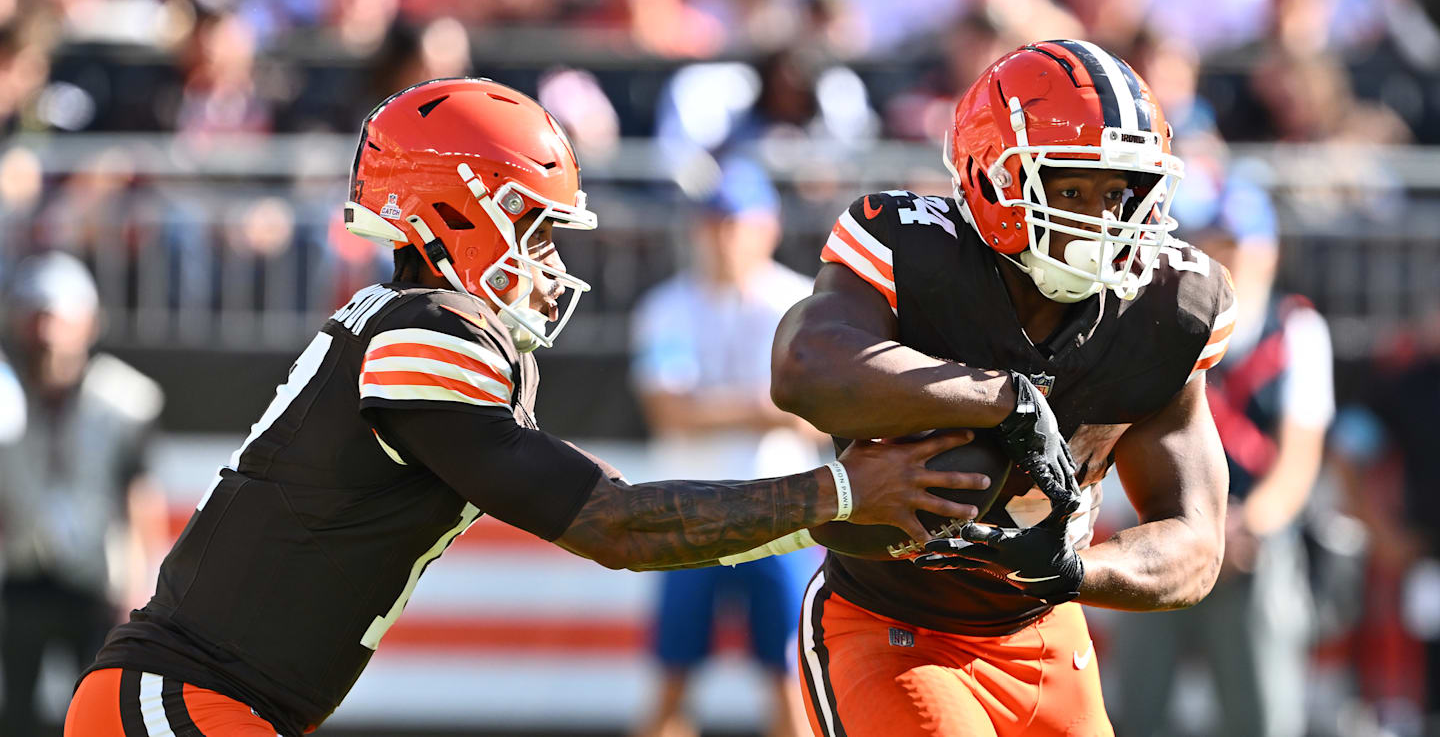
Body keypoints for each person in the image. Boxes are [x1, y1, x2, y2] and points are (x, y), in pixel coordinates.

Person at [62, 78, 986, 737]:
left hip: (214, 705)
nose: (549, 263)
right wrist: (836, 494)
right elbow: (617, 524)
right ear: (457, 214)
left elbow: (618, 516)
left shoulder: (412, 328)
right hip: (181, 702)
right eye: (537, 230)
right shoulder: (429, 334)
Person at [766, 40, 1235, 737]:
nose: (1101, 222)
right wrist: (999, 395)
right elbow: (805, 364)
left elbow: (1196, 544)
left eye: (1119, 192)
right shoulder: (914, 250)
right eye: (1071, 189)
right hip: (894, 624)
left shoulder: (1171, 303)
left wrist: (1072, 570)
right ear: (992, 178)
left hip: (1045, 633)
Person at [1107, 152, 1334, 737]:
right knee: (1137, 706)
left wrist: (1242, 527)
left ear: (1268, 252)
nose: (1223, 259)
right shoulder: (1157, 323)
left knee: (1260, 711)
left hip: (1252, 546)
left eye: (1236, 244)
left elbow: (1298, 459)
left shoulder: (1297, 330)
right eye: (1212, 242)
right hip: (1158, 530)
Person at [630, 158, 819, 737]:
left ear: (767, 225)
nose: (724, 236)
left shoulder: (801, 303)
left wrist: (714, 410)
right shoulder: (667, 306)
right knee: (672, 676)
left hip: (779, 518)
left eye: (735, 222)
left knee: (791, 677)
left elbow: (814, 420)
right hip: (693, 513)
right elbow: (668, 411)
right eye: (715, 223)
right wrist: (768, 409)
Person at [0, 252, 166, 737]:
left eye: (56, 317)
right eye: (37, 316)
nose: (46, 333)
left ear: (88, 322)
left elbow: (139, 496)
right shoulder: (7, 389)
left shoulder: (123, 398)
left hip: (95, 583)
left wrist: (140, 590)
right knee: (17, 713)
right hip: (22, 574)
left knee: (96, 715)